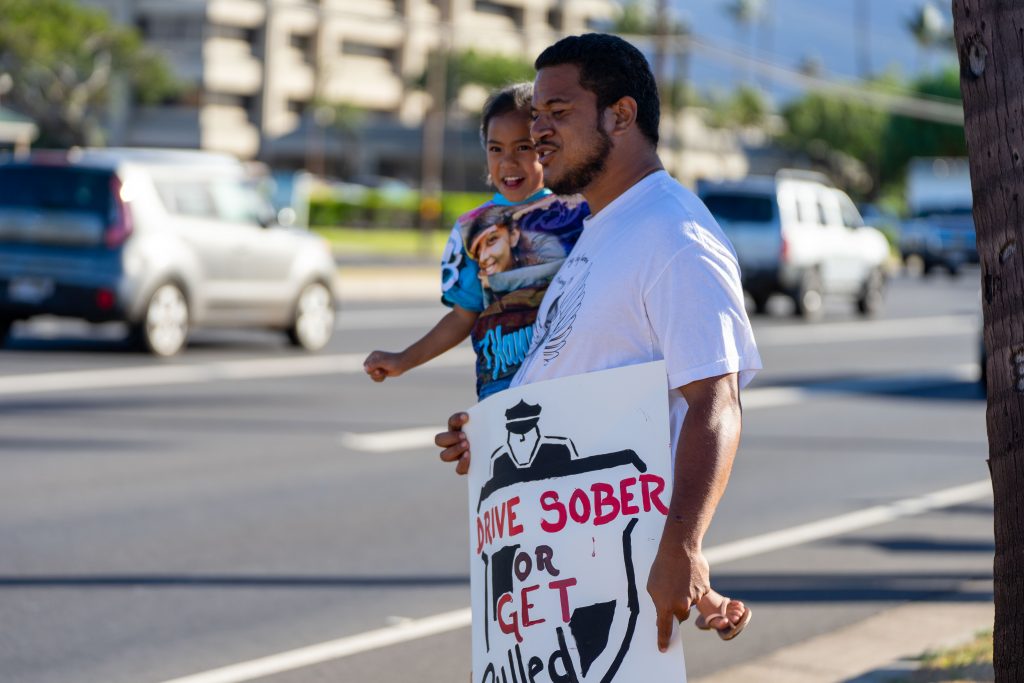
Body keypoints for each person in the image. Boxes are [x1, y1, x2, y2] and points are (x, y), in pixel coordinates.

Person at [435, 33, 763, 651]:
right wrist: (496, 438)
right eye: (537, 114)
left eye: (558, 112)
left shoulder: (674, 236)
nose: (538, 132)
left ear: (621, 114)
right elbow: (580, 375)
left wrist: (685, 546)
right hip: (548, 575)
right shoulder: (602, 225)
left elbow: (715, 401)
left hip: (613, 585)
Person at [363, 82, 588, 400]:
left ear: (546, 144)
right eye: (496, 149)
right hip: (501, 392)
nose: (507, 162)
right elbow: (462, 315)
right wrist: (403, 360)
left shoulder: (580, 211)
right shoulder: (471, 228)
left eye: (523, 147)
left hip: (571, 385)